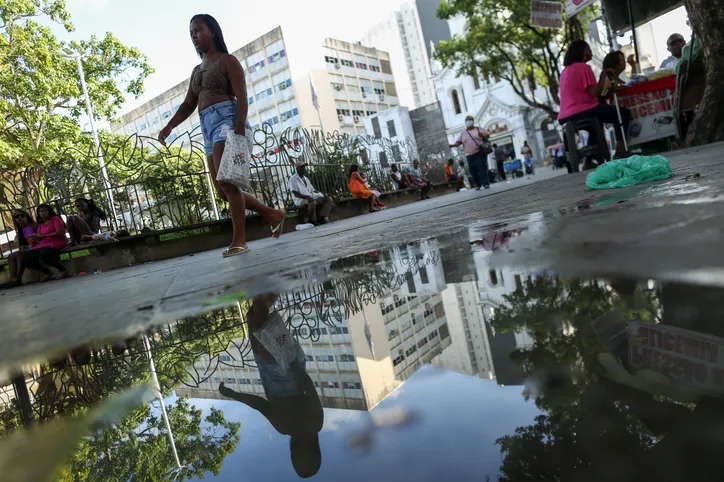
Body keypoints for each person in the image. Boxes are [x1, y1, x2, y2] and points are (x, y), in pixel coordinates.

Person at [158, 14, 285, 258]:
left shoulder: (227, 61)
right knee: (221, 189)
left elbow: (242, 96)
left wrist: (238, 128)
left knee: (228, 183)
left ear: (212, 31)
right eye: (191, 33)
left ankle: (239, 241)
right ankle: (272, 214)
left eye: (199, 30)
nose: (194, 36)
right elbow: (188, 104)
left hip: (227, 120)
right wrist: (169, 126)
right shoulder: (197, 70)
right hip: (207, 125)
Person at [218, 294, 323, 478]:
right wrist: (291, 365)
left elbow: (262, 405)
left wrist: (234, 394)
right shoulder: (309, 425)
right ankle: (264, 287)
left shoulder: (296, 427)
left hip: (275, 369)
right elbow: (308, 388)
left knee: (254, 319)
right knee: (259, 319)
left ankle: (271, 289)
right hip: (285, 371)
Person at [558, 40, 632, 159]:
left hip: (564, 115)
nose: (591, 52)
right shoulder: (583, 67)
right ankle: (620, 149)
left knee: (595, 126)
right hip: (583, 109)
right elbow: (594, 92)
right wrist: (603, 75)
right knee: (623, 113)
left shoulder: (565, 71)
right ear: (581, 52)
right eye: (588, 49)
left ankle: (589, 160)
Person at [24, 204, 68, 281]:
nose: (43, 213)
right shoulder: (40, 224)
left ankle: (63, 270)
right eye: (41, 211)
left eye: (45, 210)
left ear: (49, 211)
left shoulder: (55, 219)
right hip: (43, 244)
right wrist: (35, 237)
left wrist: (43, 236)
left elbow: (59, 233)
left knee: (44, 256)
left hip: (57, 242)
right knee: (27, 258)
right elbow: (40, 236)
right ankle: (47, 272)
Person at [449, 115, 490, 190]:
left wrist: (483, 135)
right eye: (467, 120)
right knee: (473, 170)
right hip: (469, 154)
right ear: (465, 122)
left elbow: (487, 135)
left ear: (473, 121)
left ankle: (485, 183)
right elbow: (459, 142)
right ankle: (478, 184)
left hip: (479, 152)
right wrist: (452, 145)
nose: (468, 121)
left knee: (481, 168)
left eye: (470, 119)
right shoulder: (463, 133)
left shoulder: (478, 129)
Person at [289, 161, 334, 226]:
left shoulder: (306, 178)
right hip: (300, 199)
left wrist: (322, 194)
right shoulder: (293, 179)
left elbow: (312, 190)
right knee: (312, 202)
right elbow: (295, 193)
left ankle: (322, 217)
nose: (303, 169)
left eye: (304, 167)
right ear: (297, 168)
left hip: (310, 196)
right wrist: (306, 197)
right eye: (301, 167)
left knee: (328, 199)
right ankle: (312, 220)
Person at [4, 210, 37, 286]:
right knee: (10, 256)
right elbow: (25, 244)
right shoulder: (21, 231)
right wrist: (24, 247)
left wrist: (28, 247)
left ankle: (18, 279)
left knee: (20, 254)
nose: (19, 218)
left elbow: (41, 240)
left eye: (22, 215)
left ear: (26, 216)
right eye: (17, 216)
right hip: (29, 248)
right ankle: (12, 278)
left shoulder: (33, 226)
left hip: (37, 247)